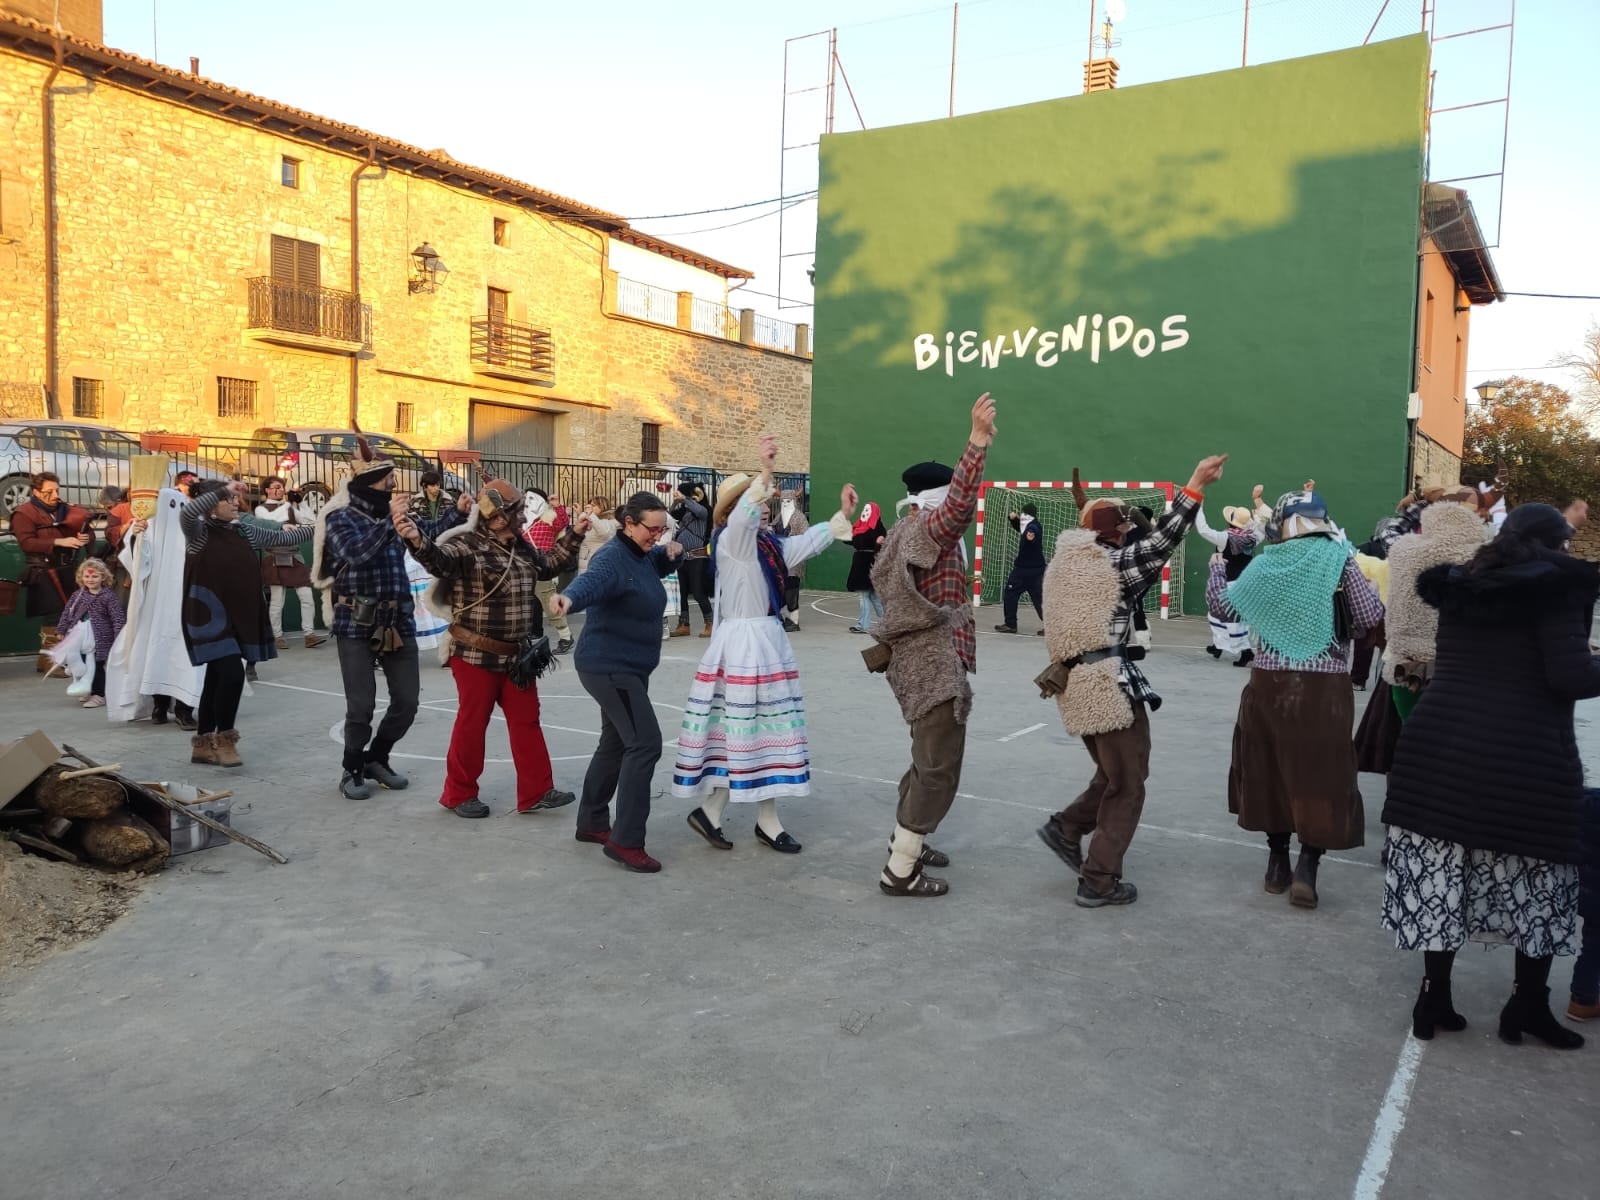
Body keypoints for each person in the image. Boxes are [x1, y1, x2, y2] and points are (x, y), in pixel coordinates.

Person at [1381, 504, 1597, 1050]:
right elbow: (1569, 675)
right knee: (1540, 880)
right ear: (1559, 544)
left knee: (1444, 878)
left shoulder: (1466, 581)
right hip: (1522, 753)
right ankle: (1527, 1008)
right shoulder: (1562, 588)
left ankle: (1434, 999)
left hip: (1438, 746)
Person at [1035, 455, 1227, 908]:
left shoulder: (1062, 567)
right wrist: (1196, 484)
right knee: (1128, 783)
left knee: (1114, 773)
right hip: (1107, 686)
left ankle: (1066, 827)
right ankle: (1098, 879)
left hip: (1074, 688)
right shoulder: (1113, 567)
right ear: (1116, 532)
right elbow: (1163, 540)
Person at [675, 435, 855, 854]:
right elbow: (743, 520)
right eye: (755, 500)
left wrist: (838, 518)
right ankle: (761, 821)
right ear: (735, 508)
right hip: (744, 647)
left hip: (763, 644)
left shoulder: (766, 546)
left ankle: (719, 813)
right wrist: (766, 471)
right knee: (752, 731)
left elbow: (803, 544)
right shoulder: (732, 541)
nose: (766, 504)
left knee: (754, 733)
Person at [1210, 488, 1384, 909]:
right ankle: (1308, 866)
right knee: (1320, 776)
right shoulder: (1341, 560)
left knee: (1268, 770)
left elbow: (1226, 608)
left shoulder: (1267, 562)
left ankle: (1276, 864)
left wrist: (1218, 570)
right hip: (1324, 692)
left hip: (1268, 686)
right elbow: (1368, 618)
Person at [869, 393, 995, 898]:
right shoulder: (930, 530)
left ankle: (908, 840)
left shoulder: (905, 529)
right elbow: (961, 505)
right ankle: (900, 869)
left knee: (925, 759)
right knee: (939, 768)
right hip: (935, 664)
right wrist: (977, 443)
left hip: (917, 662)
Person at [401, 479, 585, 818]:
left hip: (516, 656)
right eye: (516, 512)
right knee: (473, 724)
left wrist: (575, 534)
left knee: (526, 721)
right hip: (474, 656)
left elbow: (548, 565)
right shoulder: (466, 545)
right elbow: (439, 561)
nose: (522, 518)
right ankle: (457, 794)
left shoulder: (520, 546)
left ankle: (536, 792)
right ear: (497, 517)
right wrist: (416, 539)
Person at [312, 433, 468, 799]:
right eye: (388, 479)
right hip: (356, 621)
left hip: (397, 620)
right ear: (370, 482)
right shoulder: (339, 517)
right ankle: (351, 769)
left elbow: (427, 533)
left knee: (407, 702)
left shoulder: (397, 514)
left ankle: (376, 758)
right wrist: (390, 522)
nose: (395, 484)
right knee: (361, 706)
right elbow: (355, 552)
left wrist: (456, 513)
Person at [550, 492, 683, 873]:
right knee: (644, 744)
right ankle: (626, 841)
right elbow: (592, 582)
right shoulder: (612, 556)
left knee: (615, 741)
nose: (656, 536)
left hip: (629, 668)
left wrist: (674, 550)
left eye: (662, 529)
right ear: (628, 523)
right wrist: (568, 600)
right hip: (610, 667)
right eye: (651, 529)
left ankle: (592, 823)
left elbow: (654, 561)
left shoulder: (642, 554)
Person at [179, 481, 312, 767]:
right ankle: (225, 740)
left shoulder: (244, 531)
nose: (235, 503)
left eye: (235, 499)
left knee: (217, 678)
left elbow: (288, 537)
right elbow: (189, 514)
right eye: (228, 500)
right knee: (231, 674)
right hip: (208, 616)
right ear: (211, 503)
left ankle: (202, 744)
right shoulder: (198, 532)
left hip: (239, 615)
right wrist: (220, 490)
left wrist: (327, 523)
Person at [1380, 490, 1486, 722]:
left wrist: (1416, 507)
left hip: (1407, 668)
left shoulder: (1403, 550)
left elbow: (1388, 532)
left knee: (1413, 733)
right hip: (1461, 665)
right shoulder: (1485, 557)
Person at [107, 487, 202, 730]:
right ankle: (159, 705)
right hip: (157, 606)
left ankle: (184, 709)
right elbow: (137, 561)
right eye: (170, 506)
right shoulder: (149, 529)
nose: (177, 512)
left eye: (181, 505)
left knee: (185, 657)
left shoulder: (194, 530)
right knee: (157, 654)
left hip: (188, 605)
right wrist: (136, 537)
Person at [11, 471, 92, 671]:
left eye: (56, 490)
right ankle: (51, 664)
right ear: (36, 492)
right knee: (54, 616)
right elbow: (27, 543)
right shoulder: (24, 513)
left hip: (68, 568)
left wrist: (85, 537)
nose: (55, 495)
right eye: (49, 492)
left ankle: (50, 661)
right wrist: (58, 541)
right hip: (43, 569)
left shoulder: (65, 509)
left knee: (71, 614)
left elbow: (86, 528)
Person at [255, 477, 327, 649]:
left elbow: (310, 521)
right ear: (267, 490)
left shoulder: (289, 507)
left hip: (294, 555)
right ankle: (277, 636)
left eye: (281, 488)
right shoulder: (260, 509)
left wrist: (300, 503)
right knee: (277, 601)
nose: (280, 490)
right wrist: (288, 505)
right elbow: (272, 522)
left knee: (307, 597)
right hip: (273, 556)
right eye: (276, 487)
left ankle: (309, 634)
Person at [1195, 492, 1265, 667]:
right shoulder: (1253, 536)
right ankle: (1218, 645)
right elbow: (1261, 525)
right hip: (1246, 582)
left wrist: (1199, 508)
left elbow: (1203, 529)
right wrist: (1257, 506)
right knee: (1223, 615)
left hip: (1229, 582)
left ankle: (1246, 652)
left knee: (1226, 617)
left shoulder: (1225, 538)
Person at [55, 558, 125, 709]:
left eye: (95, 576)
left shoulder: (108, 596)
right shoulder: (78, 595)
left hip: (100, 638)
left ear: (103, 577)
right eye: (87, 576)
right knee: (80, 663)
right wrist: (61, 630)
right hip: (79, 637)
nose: (90, 580)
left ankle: (98, 694)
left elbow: (117, 618)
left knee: (98, 666)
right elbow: (68, 613)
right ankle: (85, 687)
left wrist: (119, 636)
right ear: (81, 578)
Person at [522, 488, 574, 654]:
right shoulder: (523, 520)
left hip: (544, 567)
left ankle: (566, 637)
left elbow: (563, 521)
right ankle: (528, 634)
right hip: (526, 567)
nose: (527, 501)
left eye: (531, 497)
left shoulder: (548, 517)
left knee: (549, 603)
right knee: (526, 604)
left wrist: (557, 506)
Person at [1568, 787, 1600, 1023]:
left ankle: (1582, 999)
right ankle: (1583, 999)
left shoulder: (1587, 803)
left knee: (1593, 939)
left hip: (1586, 889)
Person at [669, 479, 714, 639]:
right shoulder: (685, 512)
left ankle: (710, 623)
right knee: (681, 593)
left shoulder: (703, 510)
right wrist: (676, 502)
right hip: (682, 557)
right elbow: (670, 515)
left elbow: (700, 511)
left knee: (697, 591)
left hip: (697, 556)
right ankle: (684, 624)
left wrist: (686, 499)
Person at [993, 504, 1046, 635]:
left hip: (1023, 571)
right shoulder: (1031, 524)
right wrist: (1013, 519)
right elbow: (1020, 527)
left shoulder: (1032, 526)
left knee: (1010, 594)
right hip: (1037, 570)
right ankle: (1052, 628)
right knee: (1039, 599)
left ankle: (1010, 625)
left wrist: (1030, 535)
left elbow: (1031, 531)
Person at [771, 489, 809, 632]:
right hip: (781, 559)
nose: (785, 504)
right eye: (783, 501)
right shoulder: (780, 517)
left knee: (791, 590)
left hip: (794, 559)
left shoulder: (800, 518)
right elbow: (772, 530)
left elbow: (805, 536)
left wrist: (792, 541)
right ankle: (784, 617)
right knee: (782, 589)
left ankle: (793, 621)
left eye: (789, 501)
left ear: (794, 502)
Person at [846, 500, 887, 634]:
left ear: (874, 513)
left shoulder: (878, 528)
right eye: (864, 510)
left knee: (864, 596)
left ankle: (863, 625)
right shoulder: (859, 527)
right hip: (860, 562)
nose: (865, 513)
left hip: (869, 563)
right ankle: (887, 624)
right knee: (873, 596)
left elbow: (883, 545)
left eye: (868, 511)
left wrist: (879, 543)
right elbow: (855, 541)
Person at [576, 495, 619, 574]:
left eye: (593, 505)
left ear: (602, 506)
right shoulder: (592, 520)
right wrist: (581, 514)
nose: (590, 507)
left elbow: (603, 532)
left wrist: (591, 514)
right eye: (590, 505)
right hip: (586, 563)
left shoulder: (609, 521)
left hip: (598, 563)